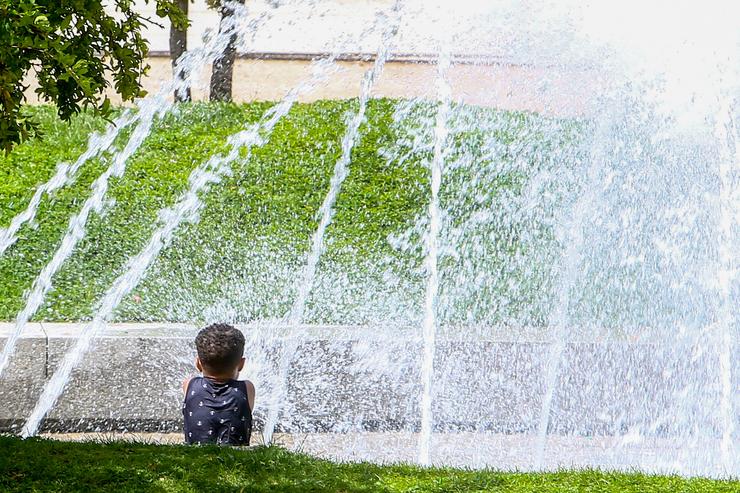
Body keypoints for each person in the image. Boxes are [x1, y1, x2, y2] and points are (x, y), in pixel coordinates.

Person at [182, 323, 255, 445]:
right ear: (241, 364)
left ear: (198, 363)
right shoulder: (247, 388)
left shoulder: (189, 385)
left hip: (196, 458)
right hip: (236, 461)